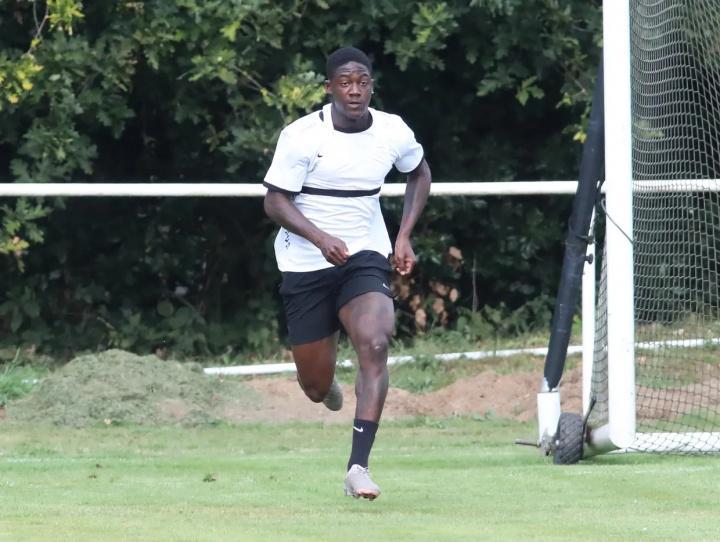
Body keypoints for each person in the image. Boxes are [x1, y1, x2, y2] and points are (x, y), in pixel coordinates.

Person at [263, 46, 432, 500]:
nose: (354, 90)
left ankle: (358, 466)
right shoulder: (302, 136)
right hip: (305, 261)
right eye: (345, 82)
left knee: (376, 343)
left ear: (371, 86)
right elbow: (274, 201)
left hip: (364, 253)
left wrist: (403, 235)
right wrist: (320, 238)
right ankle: (327, 388)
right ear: (329, 88)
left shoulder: (392, 131)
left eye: (362, 81)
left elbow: (419, 174)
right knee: (314, 386)